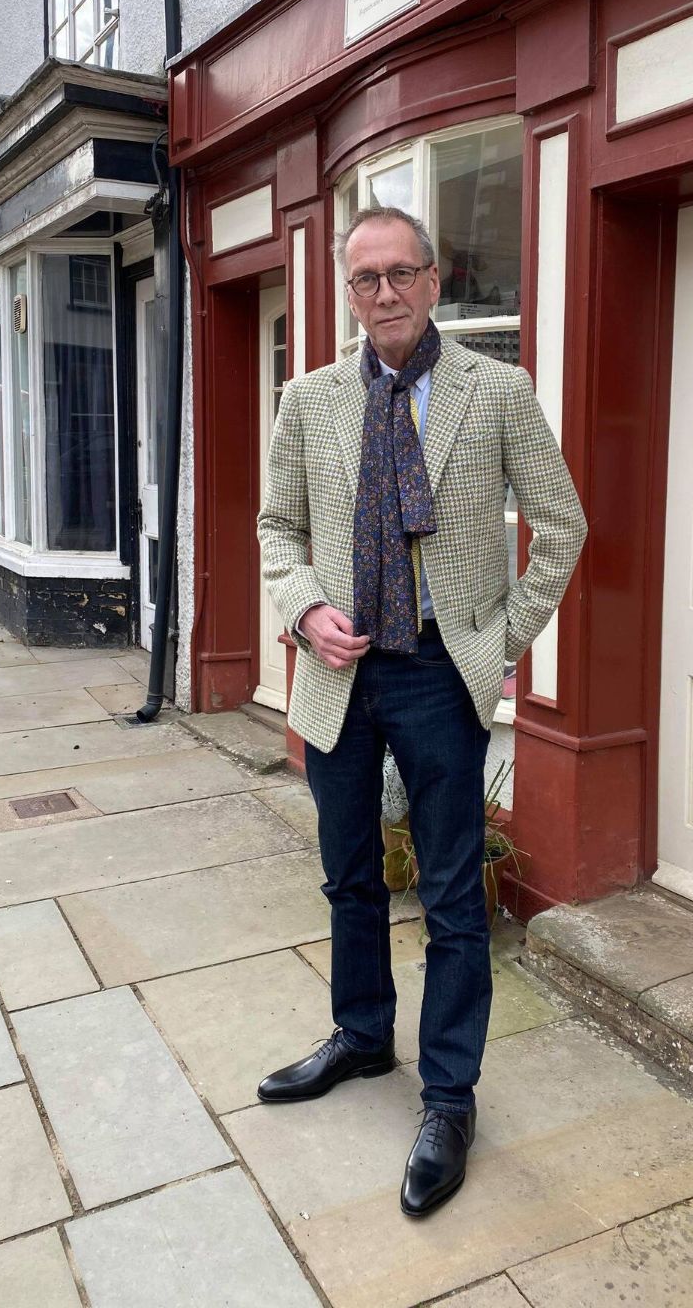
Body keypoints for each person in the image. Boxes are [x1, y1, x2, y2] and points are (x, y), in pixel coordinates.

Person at [255, 206, 587, 1217]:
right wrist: (306, 608)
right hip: (339, 675)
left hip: (442, 674)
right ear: (348, 295)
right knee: (349, 875)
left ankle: (448, 1096)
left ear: (436, 281)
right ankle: (361, 1036)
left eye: (403, 274)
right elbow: (277, 528)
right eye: (367, 279)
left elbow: (561, 525)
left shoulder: (500, 391)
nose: (386, 293)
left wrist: (500, 636)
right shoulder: (308, 401)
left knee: (449, 897)